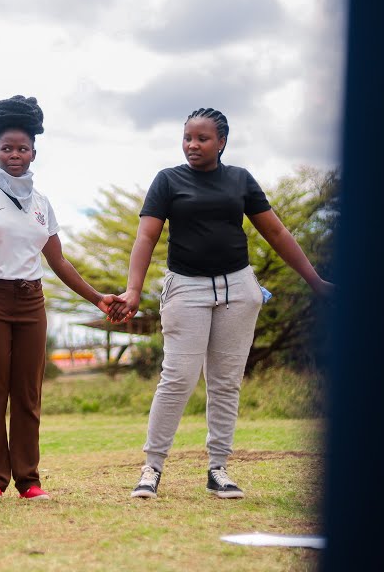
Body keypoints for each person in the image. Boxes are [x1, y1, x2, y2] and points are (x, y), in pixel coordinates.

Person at [114, 107, 334, 502]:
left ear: (222, 142)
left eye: (202, 138)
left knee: (225, 381)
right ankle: (152, 468)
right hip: (186, 288)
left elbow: (277, 233)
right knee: (177, 378)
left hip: (238, 288)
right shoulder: (168, 180)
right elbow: (146, 237)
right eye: (187, 138)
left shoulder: (240, 179)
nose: (192, 145)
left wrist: (315, 281)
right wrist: (133, 290)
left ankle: (218, 469)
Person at [0, 95, 121, 501]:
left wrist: (97, 298)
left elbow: (58, 261)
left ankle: (29, 480)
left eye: (22, 148)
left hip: (31, 301)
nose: (14, 155)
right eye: (7, 148)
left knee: (28, 395)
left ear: (34, 152)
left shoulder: (42, 204)